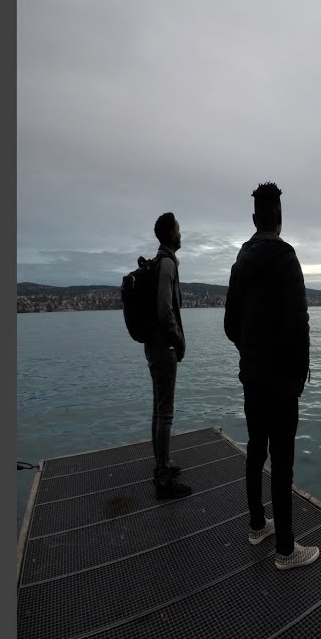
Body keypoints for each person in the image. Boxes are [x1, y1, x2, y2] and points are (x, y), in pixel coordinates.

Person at [224, 182, 318, 570]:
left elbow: (230, 325)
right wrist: (298, 373)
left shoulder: (240, 263)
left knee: (255, 448)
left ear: (254, 218)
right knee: (282, 461)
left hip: (252, 374)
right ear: (279, 217)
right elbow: (299, 323)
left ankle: (257, 525)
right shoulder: (286, 257)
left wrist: (250, 351)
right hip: (281, 379)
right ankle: (286, 550)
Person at [146, 212, 192, 499]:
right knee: (165, 412)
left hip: (155, 345)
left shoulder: (159, 262)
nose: (181, 233)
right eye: (178, 228)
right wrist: (178, 339)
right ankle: (163, 478)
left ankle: (161, 466)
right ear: (172, 234)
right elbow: (165, 310)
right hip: (164, 348)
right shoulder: (166, 264)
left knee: (158, 408)